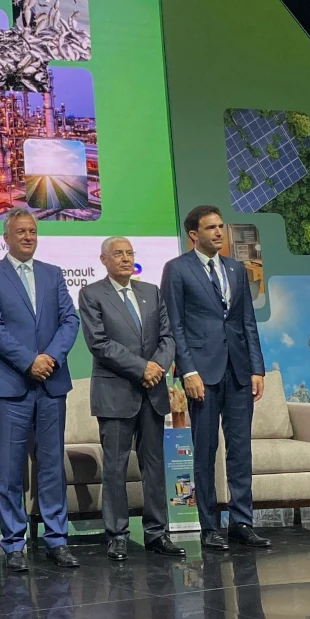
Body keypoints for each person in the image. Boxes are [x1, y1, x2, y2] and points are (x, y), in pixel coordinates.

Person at [0, 209, 79, 571]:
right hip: (12, 385)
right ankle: (14, 542)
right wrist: (28, 361)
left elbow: (70, 319)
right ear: (6, 237)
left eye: (32, 231)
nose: (28, 237)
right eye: (20, 231)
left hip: (51, 384)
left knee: (51, 466)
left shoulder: (53, 275)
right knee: (9, 469)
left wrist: (49, 356)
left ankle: (56, 539)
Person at [163, 204, 270, 550]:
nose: (218, 232)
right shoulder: (177, 269)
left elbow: (246, 322)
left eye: (221, 226)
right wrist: (187, 370)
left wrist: (256, 368)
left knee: (240, 451)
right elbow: (175, 325)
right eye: (211, 228)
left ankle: (242, 521)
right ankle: (209, 527)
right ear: (193, 234)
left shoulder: (236, 269)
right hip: (202, 374)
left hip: (238, 371)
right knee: (205, 452)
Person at [79, 236, 184, 561]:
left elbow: (167, 337)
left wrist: (159, 367)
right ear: (104, 259)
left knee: (154, 466)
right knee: (115, 467)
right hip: (116, 394)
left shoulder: (151, 292)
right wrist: (143, 368)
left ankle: (157, 534)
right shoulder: (92, 294)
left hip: (152, 394)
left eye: (129, 253)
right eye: (118, 254)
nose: (125, 258)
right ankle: (118, 536)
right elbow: (99, 343)